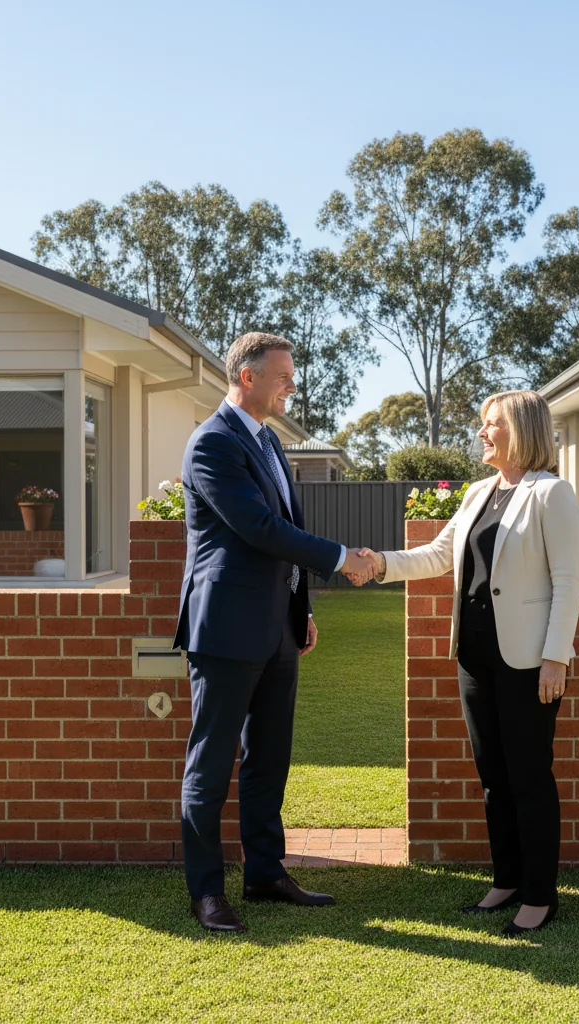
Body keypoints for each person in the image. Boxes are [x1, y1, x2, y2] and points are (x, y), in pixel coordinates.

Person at [348, 390, 579, 937]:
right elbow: (437, 554)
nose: (481, 433)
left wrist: (555, 659)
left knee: (528, 776)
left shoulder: (552, 494)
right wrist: (378, 563)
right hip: (475, 657)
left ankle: (540, 896)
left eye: (491, 424)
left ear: (520, 429)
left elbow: (568, 583)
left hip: (528, 662)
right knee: (494, 778)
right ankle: (506, 879)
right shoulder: (479, 493)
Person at [175, 332, 377, 934]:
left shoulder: (267, 441)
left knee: (269, 758)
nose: (292, 384)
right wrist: (342, 556)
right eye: (283, 375)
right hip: (226, 629)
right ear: (247, 377)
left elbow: (283, 534)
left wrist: (300, 609)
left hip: (276, 628)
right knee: (211, 764)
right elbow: (259, 528)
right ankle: (207, 892)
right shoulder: (212, 442)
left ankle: (265, 872)